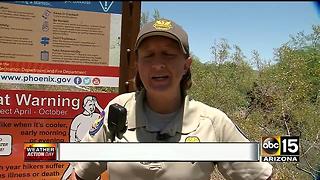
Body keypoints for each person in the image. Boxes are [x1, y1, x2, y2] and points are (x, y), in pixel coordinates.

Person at [73, 18, 273, 180]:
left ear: (186, 65)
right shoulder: (116, 112)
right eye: (148, 55)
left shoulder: (213, 123)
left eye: (168, 54)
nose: (158, 64)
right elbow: (81, 174)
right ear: (138, 64)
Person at [63, 96, 103, 180]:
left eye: (93, 105)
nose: (92, 107)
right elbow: (72, 137)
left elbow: (104, 115)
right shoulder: (78, 119)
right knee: (71, 171)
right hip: (78, 150)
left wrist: (98, 106)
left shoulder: (96, 116)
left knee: (95, 175)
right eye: (89, 105)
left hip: (91, 151)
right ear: (84, 106)